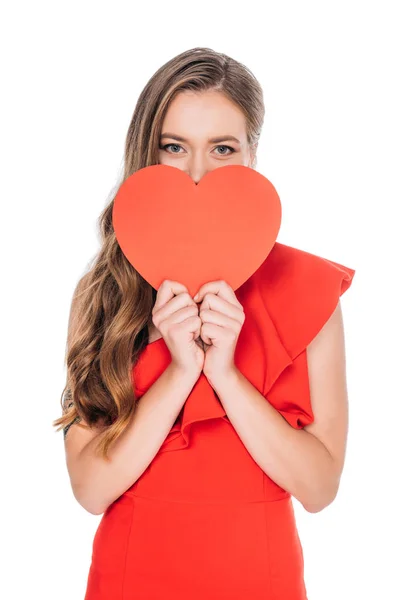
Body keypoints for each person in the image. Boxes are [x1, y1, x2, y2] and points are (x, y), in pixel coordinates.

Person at [54, 47, 355, 599]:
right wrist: (180, 370)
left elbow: (319, 488)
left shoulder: (309, 292)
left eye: (222, 148)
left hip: (260, 581)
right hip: (129, 580)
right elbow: (91, 489)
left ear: (252, 155)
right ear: (147, 153)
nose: (197, 173)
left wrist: (226, 375)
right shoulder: (103, 294)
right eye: (174, 147)